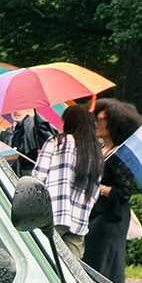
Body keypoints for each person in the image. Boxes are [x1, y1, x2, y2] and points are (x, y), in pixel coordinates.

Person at [83, 98, 142, 283]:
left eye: (102, 119)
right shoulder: (101, 150)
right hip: (98, 212)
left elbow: (124, 193)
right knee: (94, 259)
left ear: (115, 124)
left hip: (112, 217)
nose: (96, 123)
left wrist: (100, 188)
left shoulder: (122, 155)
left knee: (106, 263)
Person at [30, 103, 102, 259]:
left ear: (68, 122)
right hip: (79, 218)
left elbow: (38, 178)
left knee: (47, 262)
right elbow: (96, 189)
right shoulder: (95, 151)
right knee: (74, 270)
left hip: (53, 212)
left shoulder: (56, 142)